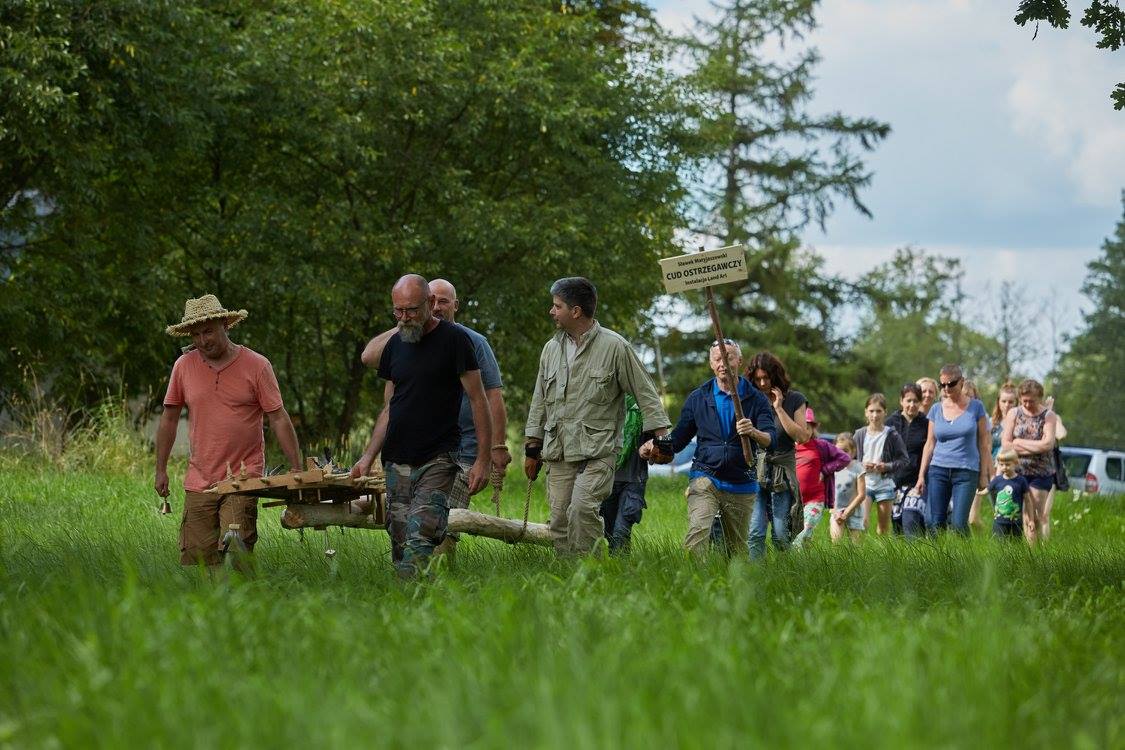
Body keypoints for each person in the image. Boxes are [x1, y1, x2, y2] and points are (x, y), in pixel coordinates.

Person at [351, 275, 498, 578]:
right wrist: (367, 456)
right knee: (401, 540)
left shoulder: (456, 340)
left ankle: (405, 597)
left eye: (412, 311)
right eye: (398, 311)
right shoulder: (396, 344)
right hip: (397, 458)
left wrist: (484, 459)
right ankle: (420, 607)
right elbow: (390, 407)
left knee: (422, 534)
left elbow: (479, 399)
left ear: (430, 303)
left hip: (438, 458)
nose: (405, 318)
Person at [155, 294, 302, 572]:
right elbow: (169, 419)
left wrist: (296, 468)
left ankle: (246, 608)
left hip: (242, 478)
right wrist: (160, 469)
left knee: (238, 549)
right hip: (199, 478)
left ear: (225, 324)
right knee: (202, 559)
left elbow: (278, 418)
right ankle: (218, 612)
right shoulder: (183, 367)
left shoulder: (257, 365)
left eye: (208, 331)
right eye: (195, 334)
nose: (202, 340)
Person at [525, 277, 670, 556]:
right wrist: (533, 445)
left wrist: (663, 438)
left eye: (557, 306)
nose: (551, 311)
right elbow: (539, 400)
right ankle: (571, 579)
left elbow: (645, 393)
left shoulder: (615, 347)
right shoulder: (551, 349)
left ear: (576, 311)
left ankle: (591, 572)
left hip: (599, 450)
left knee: (582, 508)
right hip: (559, 450)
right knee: (559, 520)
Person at [640, 339, 774, 557]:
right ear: (711, 364)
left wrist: (753, 432)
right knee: (698, 531)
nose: (723, 363)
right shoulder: (698, 397)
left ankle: (732, 588)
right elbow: (679, 439)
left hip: (741, 481)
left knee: (737, 551)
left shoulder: (756, 399)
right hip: (705, 476)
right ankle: (695, 585)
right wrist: (655, 445)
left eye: (728, 357)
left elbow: (771, 440)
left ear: (739, 361)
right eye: (717, 358)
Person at [745, 351, 812, 559]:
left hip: (782, 473)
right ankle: (756, 576)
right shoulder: (749, 401)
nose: (763, 383)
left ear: (776, 376)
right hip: (755, 471)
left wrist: (779, 408)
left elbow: (802, 437)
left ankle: (784, 572)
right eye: (758, 379)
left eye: (767, 378)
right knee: (755, 532)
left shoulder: (795, 399)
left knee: (781, 535)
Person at [914, 365, 992, 534]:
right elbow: (930, 443)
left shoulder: (976, 407)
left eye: (951, 384)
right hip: (938, 470)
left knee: (958, 524)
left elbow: (984, 443)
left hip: (966, 471)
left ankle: (966, 556)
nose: (947, 388)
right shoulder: (936, 409)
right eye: (943, 385)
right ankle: (938, 558)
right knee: (934, 522)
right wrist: (921, 476)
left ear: (961, 381)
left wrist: (984, 474)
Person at [1001, 379, 1059, 543]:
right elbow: (1006, 443)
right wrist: (1033, 446)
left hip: (1040, 474)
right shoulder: (1014, 413)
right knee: (1019, 516)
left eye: (1031, 401)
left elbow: (1048, 445)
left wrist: (1019, 443)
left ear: (1039, 398)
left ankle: (1034, 554)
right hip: (1016, 472)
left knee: (1035, 516)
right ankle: (1024, 552)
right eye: (1024, 400)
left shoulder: (1048, 416)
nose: (1027, 404)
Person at [792, 408, 852, 549]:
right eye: (800, 427)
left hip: (815, 500)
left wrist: (825, 471)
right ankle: (802, 562)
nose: (804, 431)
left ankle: (795, 552)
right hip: (794, 500)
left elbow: (844, 458)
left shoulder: (821, 446)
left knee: (806, 528)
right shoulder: (790, 448)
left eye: (807, 427)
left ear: (813, 428)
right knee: (796, 533)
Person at [599, 395, 652, 552]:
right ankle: (616, 571)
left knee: (621, 532)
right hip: (605, 479)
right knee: (607, 533)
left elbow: (658, 439)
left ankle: (622, 568)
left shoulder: (644, 405)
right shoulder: (602, 402)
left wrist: (651, 447)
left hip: (633, 481)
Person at [851, 394, 909, 535]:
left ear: (885, 412)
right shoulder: (859, 434)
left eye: (878, 411)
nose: (875, 415)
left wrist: (886, 466)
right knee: (862, 523)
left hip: (885, 483)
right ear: (866, 412)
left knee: (883, 528)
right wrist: (862, 465)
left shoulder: (892, 435)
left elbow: (904, 460)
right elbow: (849, 459)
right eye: (871, 411)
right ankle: (857, 553)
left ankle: (882, 555)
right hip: (864, 483)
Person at [886, 383, 929, 537]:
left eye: (915, 401)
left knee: (910, 521)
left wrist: (922, 478)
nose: (912, 405)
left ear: (920, 402)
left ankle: (917, 555)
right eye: (908, 400)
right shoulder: (891, 423)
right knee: (897, 526)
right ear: (901, 401)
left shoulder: (926, 423)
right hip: (894, 482)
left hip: (916, 483)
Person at [989, 449, 1032, 542]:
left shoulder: (1021, 481)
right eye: (1001, 465)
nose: (1004, 467)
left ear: (1015, 463)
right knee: (999, 546)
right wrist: (979, 491)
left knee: (1016, 546)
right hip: (999, 522)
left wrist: (1031, 519)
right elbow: (988, 490)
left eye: (1007, 464)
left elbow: (1028, 501)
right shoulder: (997, 480)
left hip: (1016, 522)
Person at [831, 433, 867, 544]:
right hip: (837, 512)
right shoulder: (833, 467)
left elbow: (862, 494)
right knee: (836, 544)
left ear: (853, 451)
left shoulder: (858, 468)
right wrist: (834, 510)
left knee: (855, 547)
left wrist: (847, 512)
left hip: (854, 511)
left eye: (845, 451)